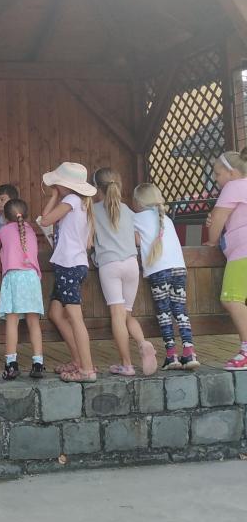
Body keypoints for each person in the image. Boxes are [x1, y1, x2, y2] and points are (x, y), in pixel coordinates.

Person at [92, 167, 157, 377]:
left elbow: (88, 240)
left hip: (110, 265)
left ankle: (126, 365)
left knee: (117, 315)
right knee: (128, 314)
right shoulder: (127, 209)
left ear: (96, 188)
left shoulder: (92, 211)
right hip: (131, 264)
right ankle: (143, 342)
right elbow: (137, 239)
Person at [40, 162, 97, 383]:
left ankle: (87, 369)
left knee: (75, 318)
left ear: (64, 185)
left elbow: (45, 219)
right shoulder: (83, 204)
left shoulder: (71, 200)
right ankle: (78, 361)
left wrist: (54, 196)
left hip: (68, 266)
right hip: (74, 264)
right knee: (56, 313)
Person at [133, 182, 198, 370]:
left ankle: (171, 355)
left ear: (138, 202)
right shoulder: (166, 218)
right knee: (180, 310)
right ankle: (189, 352)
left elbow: (136, 241)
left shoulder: (136, 219)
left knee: (164, 313)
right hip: (179, 268)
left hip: (158, 270)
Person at [0, 198, 45, 380]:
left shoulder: (4, 230)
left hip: (14, 277)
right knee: (33, 322)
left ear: (5, 217)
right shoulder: (30, 230)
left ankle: (11, 364)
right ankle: (38, 363)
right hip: (32, 278)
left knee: (12, 322)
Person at [205, 151, 247, 370]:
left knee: (231, 299)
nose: (216, 178)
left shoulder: (233, 187)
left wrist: (212, 241)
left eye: (218, 173)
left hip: (243, 251)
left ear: (231, 173)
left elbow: (219, 217)